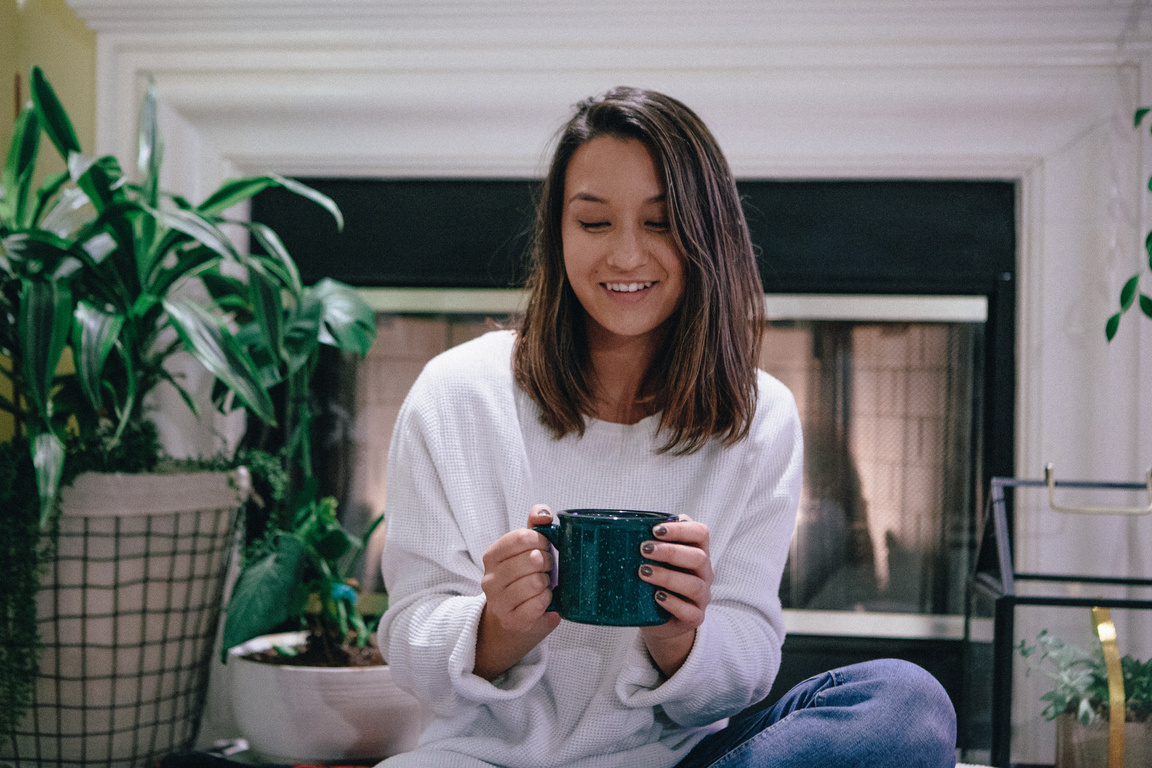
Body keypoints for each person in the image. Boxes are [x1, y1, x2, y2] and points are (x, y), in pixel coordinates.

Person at [375, 86, 957, 768]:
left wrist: (681, 638)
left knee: (906, 703)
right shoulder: (456, 396)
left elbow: (748, 661)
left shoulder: (757, 416)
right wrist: (496, 628)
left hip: (683, 760)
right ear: (558, 233)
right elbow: (408, 637)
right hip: (485, 759)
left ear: (707, 233)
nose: (626, 257)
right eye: (594, 224)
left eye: (660, 223)